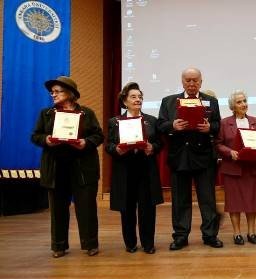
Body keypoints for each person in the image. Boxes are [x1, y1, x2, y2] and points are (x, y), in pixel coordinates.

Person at [31, 76, 104, 258]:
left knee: (86, 208)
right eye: (52, 92)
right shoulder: (45, 114)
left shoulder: (87, 113)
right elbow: (35, 135)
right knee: (57, 210)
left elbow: (98, 135)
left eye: (57, 91)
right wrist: (46, 140)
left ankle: (90, 244)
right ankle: (59, 246)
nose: (53, 94)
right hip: (57, 169)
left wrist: (85, 143)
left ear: (70, 94)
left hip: (83, 169)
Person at [157, 67, 223, 250]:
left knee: (207, 199)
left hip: (203, 157)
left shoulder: (211, 101)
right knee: (180, 200)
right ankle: (180, 236)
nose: (192, 83)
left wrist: (210, 127)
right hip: (179, 157)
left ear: (201, 82)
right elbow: (160, 125)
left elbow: (218, 124)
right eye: (188, 80)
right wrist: (173, 125)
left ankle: (210, 235)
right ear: (182, 81)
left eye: (195, 80)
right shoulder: (169, 101)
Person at [105, 82, 163, 254]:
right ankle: (130, 243)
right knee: (127, 208)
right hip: (124, 169)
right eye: (133, 97)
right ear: (124, 101)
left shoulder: (151, 121)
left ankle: (148, 244)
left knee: (147, 209)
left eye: (140, 97)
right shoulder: (115, 122)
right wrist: (116, 149)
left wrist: (153, 147)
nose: (138, 100)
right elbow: (109, 145)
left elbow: (160, 143)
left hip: (146, 169)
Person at [216, 90, 256, 245]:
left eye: (244, 101)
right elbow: (218, 144)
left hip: (251, 167)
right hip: (233, 168)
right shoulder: (224, 123)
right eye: (239, 102)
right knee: (234, 203)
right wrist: (230, 152)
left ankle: (251, 232)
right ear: (232, 106)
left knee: (251, 202)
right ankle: (237, 233)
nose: (243, 104)